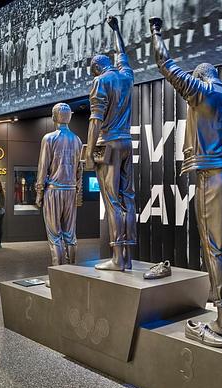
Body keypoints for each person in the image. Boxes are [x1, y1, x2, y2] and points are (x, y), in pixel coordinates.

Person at [150, 17, 222, 339]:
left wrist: (156, 33)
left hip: (212, 178)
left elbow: (165, 65)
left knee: (215, 248)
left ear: (200, 78)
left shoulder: (201, 92)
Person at [86, 16, 136, 271]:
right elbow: (122, 53)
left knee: (112, 201)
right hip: (127, 142)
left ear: (96, 68)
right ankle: (126, 256)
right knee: (128, 198)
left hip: (109, 144)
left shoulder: (100, 81)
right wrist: (116, 29)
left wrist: (87, 152)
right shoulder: (126, 76)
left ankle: (117, 259)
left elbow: (95, 120)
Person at [36, 103, 83, 266]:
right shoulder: (77, 140)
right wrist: (77, 192)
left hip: (54, 190)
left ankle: (58, 277)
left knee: (55, 235)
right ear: (68, 117)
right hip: (70, 191)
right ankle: (71, 272)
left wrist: (39, 193)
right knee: (70, 235)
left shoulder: (49, 138)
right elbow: (79, 170)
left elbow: (43, 167)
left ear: (54, 117)